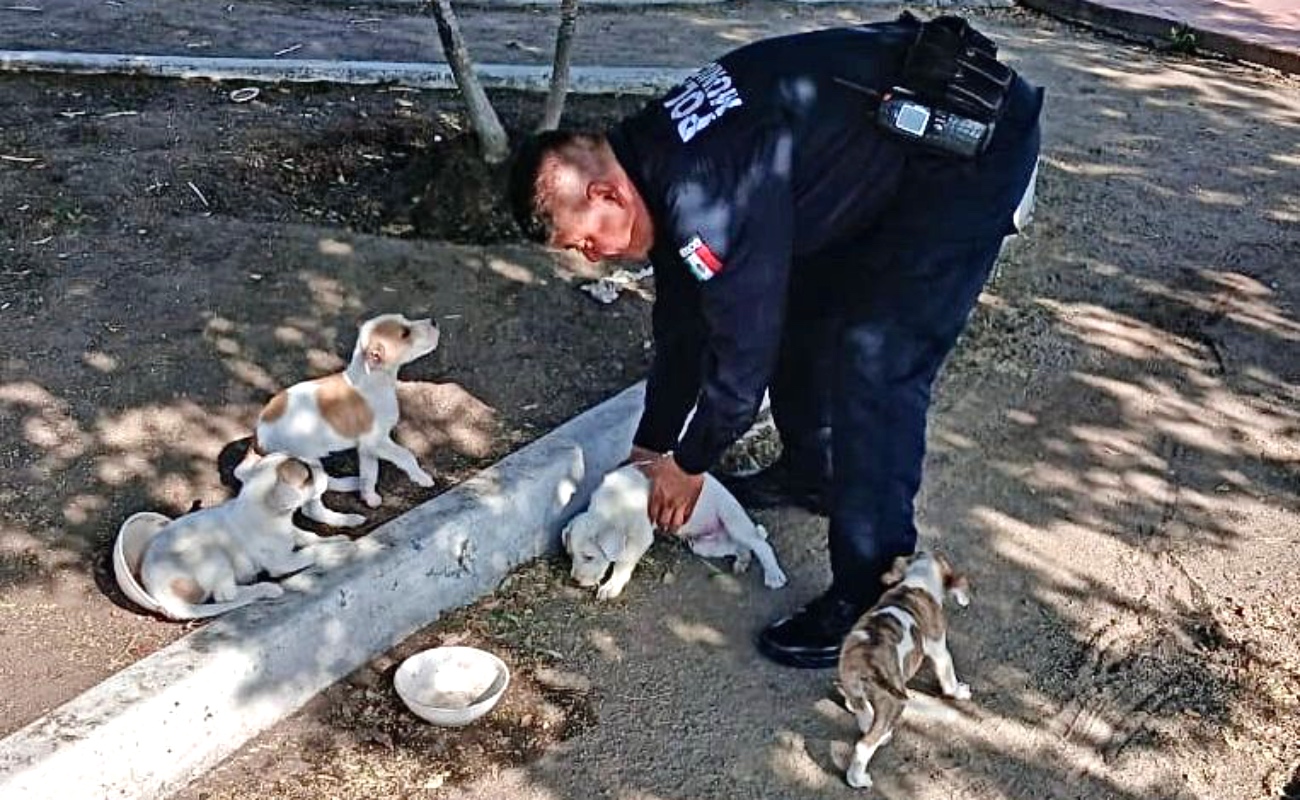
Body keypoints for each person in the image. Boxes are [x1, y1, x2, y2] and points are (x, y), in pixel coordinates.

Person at [506, 13, 1043, 669]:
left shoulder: (705, 193)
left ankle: (872, 595)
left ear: (605, 192)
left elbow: (742, 359)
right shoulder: (653, 159)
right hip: (886, 146)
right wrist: (652, 445)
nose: (592, 257)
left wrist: (690, 461)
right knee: (801, 312)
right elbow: (683, 319)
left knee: (874, 366)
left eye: (583, 239)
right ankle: (811, 475)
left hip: (964, 155)